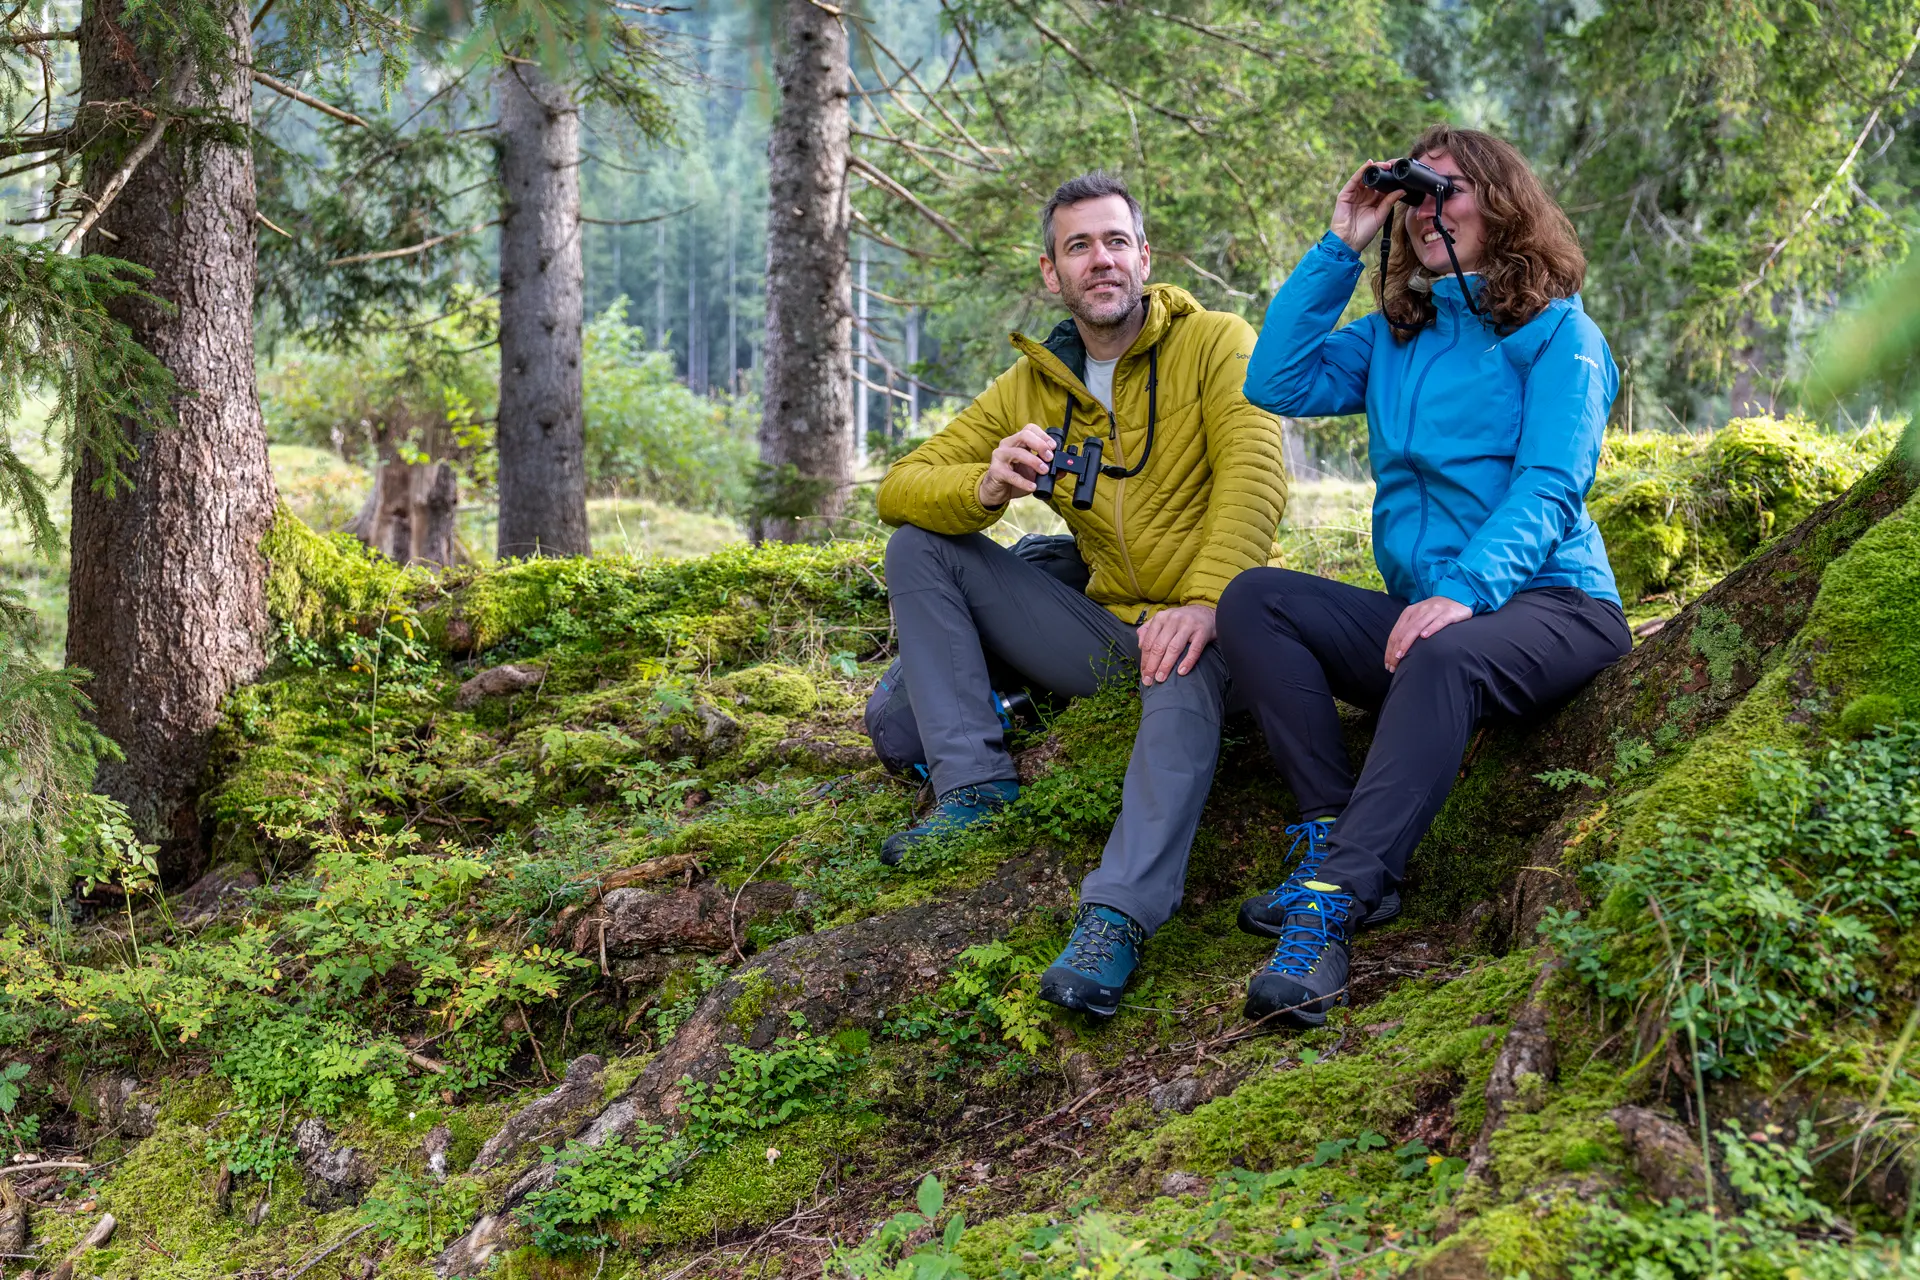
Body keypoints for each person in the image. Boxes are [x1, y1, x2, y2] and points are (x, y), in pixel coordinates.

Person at [1216, 125, 1632, 1029]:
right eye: (1416, 194)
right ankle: (1332, 833)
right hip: (1434, 616)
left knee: (1447, 656)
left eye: (1449, 189)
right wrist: (1342, 239)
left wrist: (1463, 594)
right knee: (1256, 599)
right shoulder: (1393, 340)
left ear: (1503, 203)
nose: (1429, 208)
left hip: (1556, 605)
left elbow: (1552, 485)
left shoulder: (1560, 334)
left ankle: (1333, 911)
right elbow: (1273, 379)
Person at [871, 171, 1287, 1016]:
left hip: (1222, 628)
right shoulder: (1035, 384)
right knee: (918, 546)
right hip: (1103, 629)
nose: (1101, 261)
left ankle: (1116, 920)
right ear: (1050, 272)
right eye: (1078, 247)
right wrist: (986, 488)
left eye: (1115, 241)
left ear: (1144, 256)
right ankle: (976, 788)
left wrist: (1207, 601)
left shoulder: (1215, 343)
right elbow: (901, 485)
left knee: (1178, 664)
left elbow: (1256, 478)